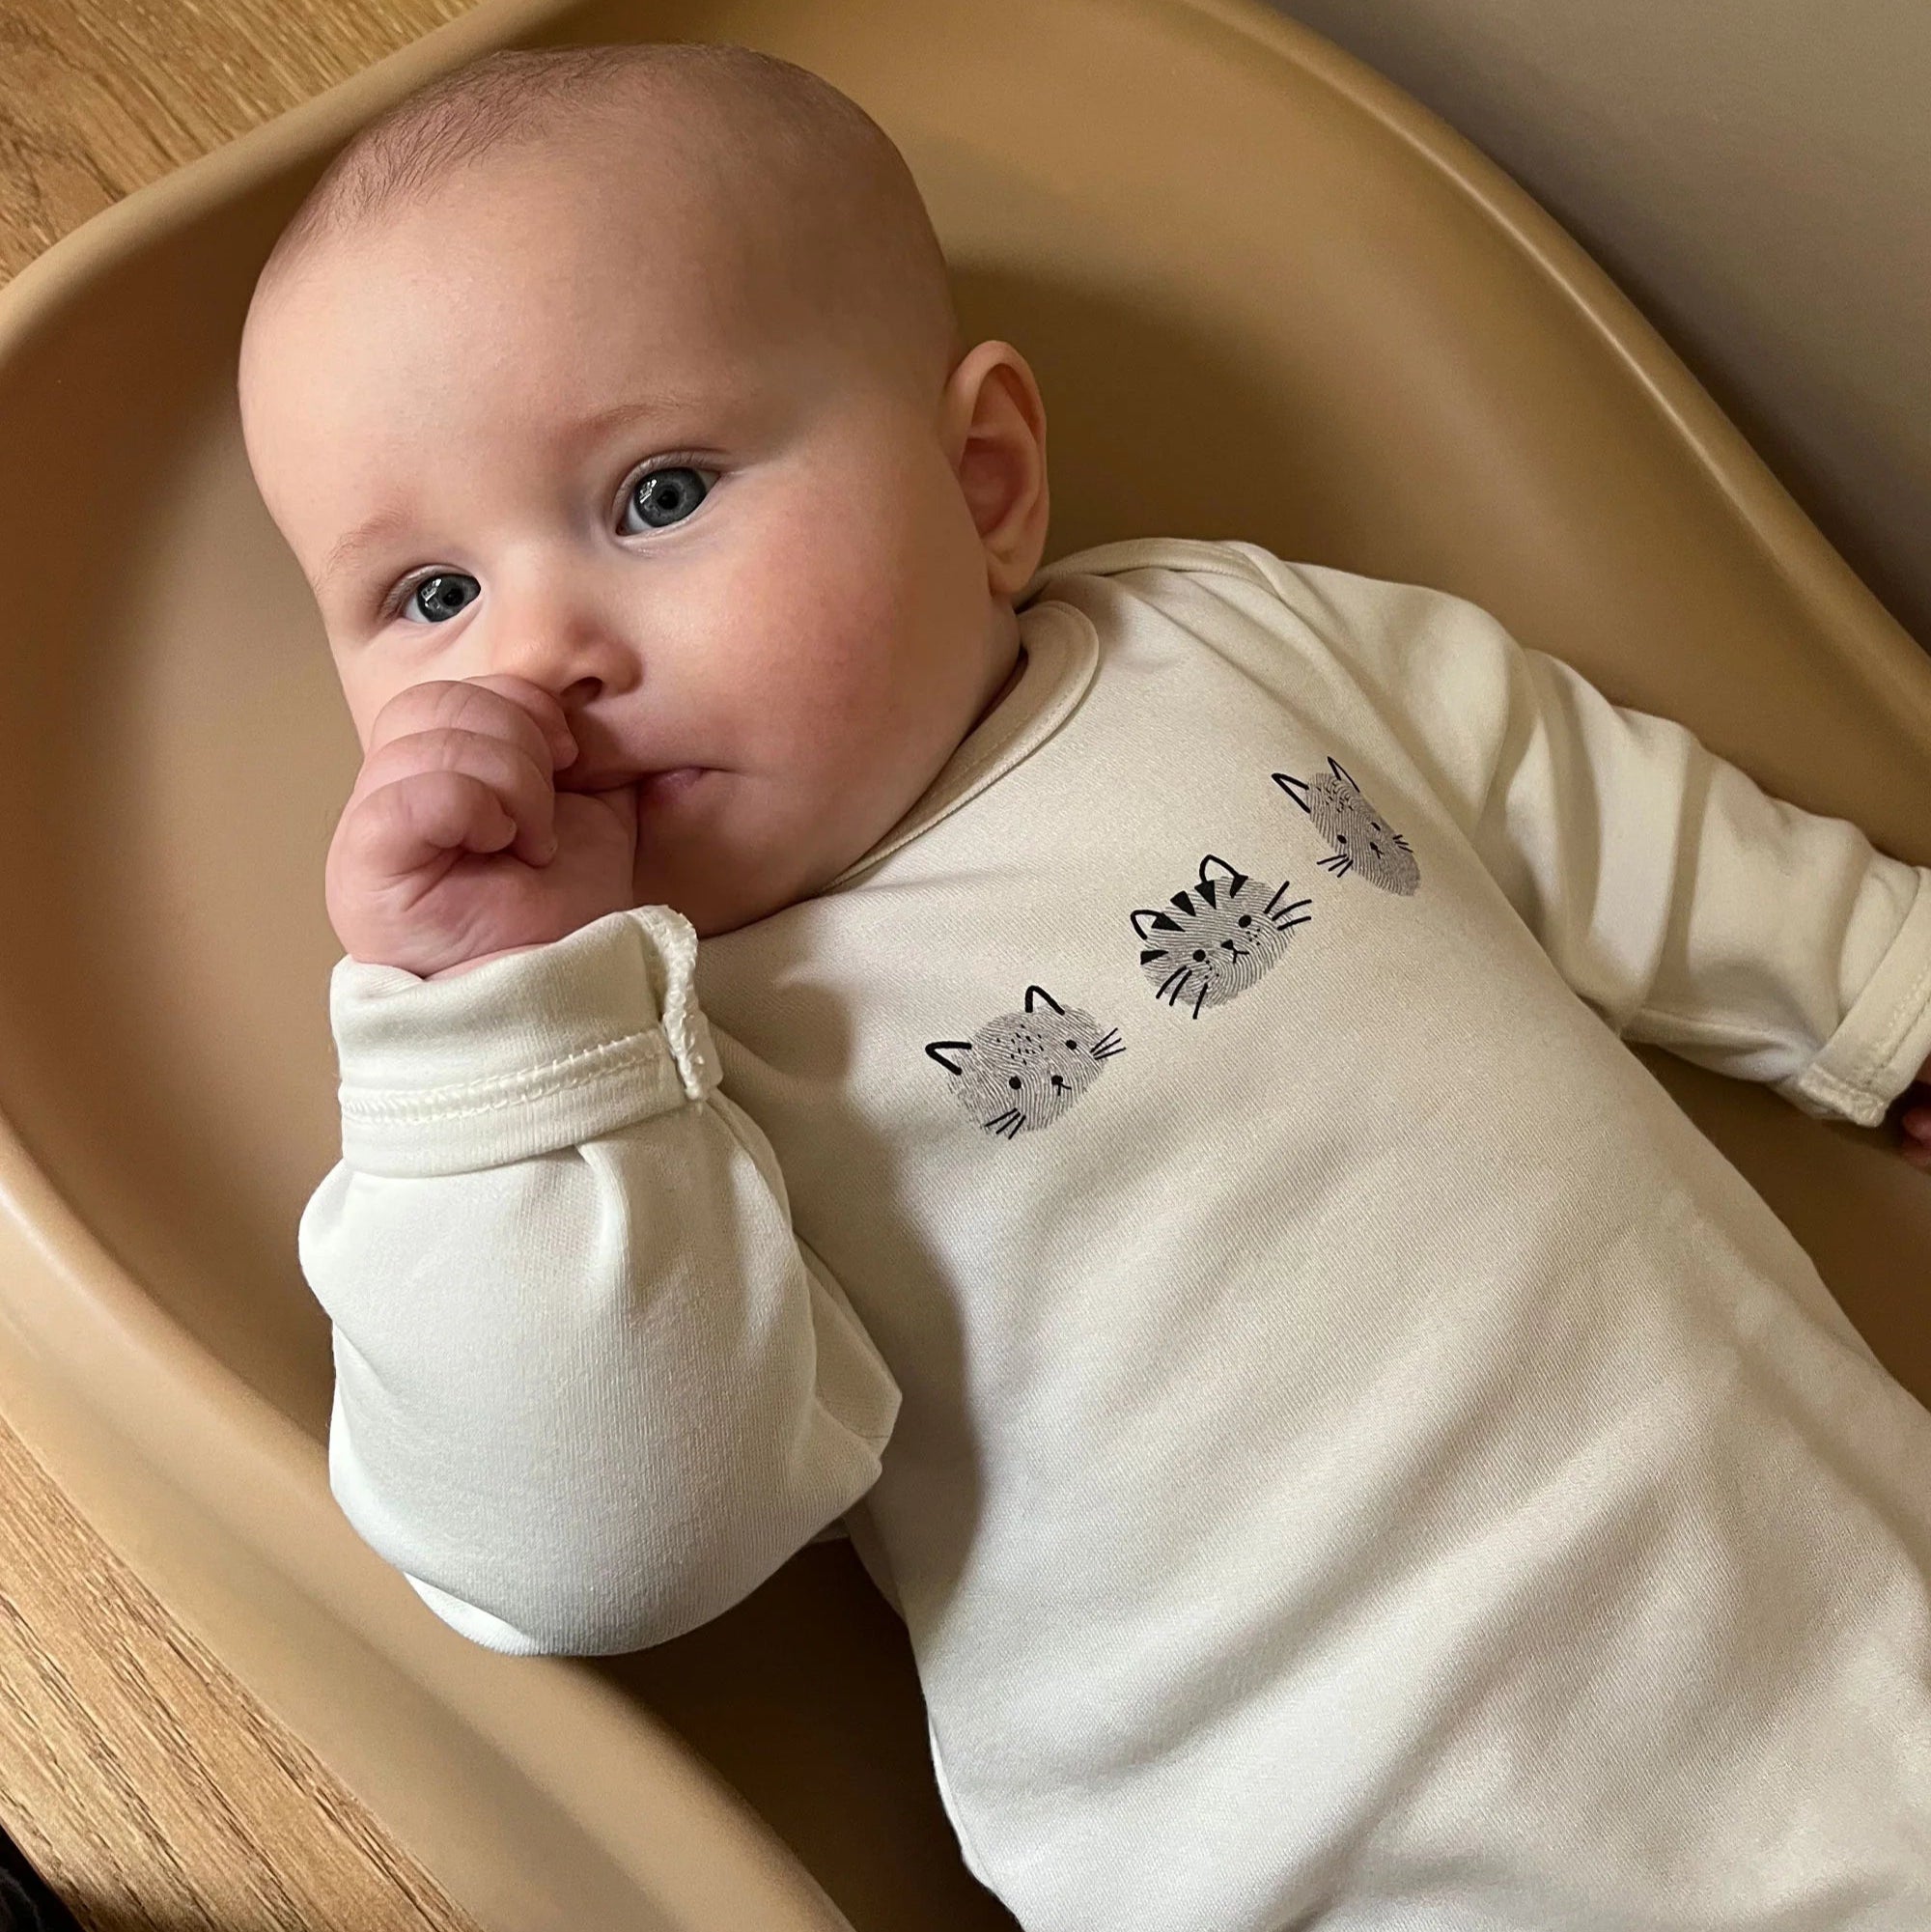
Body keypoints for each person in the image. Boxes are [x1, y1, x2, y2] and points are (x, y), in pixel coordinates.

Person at [237, 40, 1931, 1931]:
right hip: (1331, 1856)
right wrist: (503, 1016)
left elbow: (1568, 795)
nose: (543, 649)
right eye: (429, 598)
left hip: (1837, 1620)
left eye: (654, 494)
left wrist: (1871, 965)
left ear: (982, 483)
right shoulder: (628, 1071)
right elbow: (586, 1536)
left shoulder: (1220, 636)